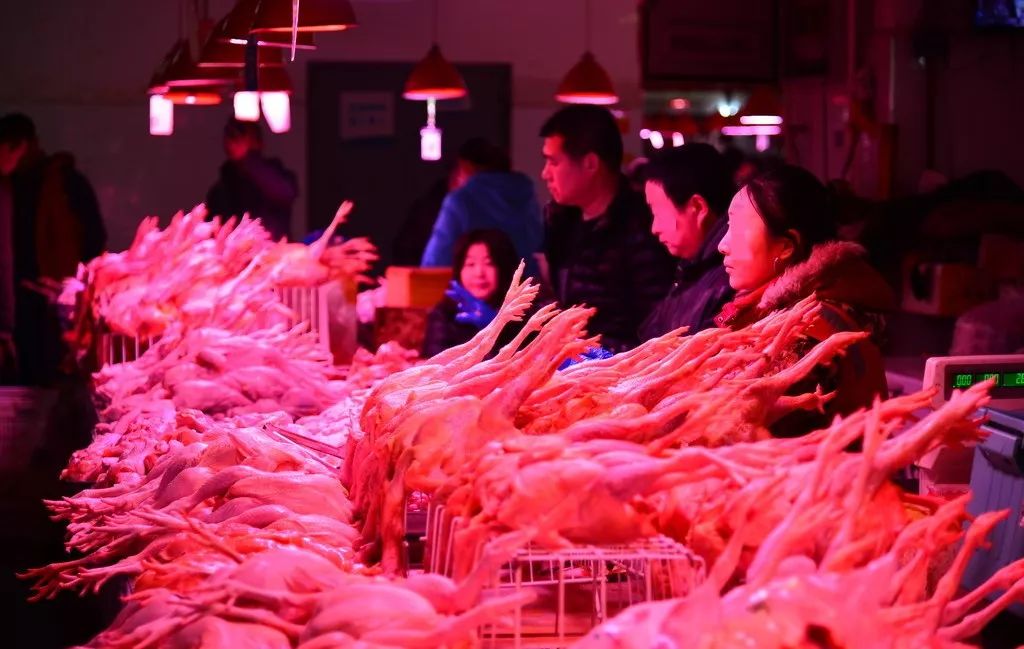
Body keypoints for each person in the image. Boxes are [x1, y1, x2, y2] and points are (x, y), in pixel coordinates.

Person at [714, 164, 895, 434]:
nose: (722, 244)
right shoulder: (791, 311)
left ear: (786, 246)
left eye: (738, 229)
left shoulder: (807, 332)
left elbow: (765, 441)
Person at [539, 105, 675, 352]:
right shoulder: (560, 220)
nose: (545, 174)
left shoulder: (641, 226)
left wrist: (602, 354)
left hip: (623, 373)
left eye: (553, 162)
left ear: (590, 163)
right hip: (570, 367)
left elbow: (657, 325)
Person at [0, 112, 106, 385]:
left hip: (57, 308)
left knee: (56, 380)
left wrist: (76, 293)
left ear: (20, 145)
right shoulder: (8, 185)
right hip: (18, 307)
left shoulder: (65, 182)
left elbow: (95, 239)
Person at [638, 144, 736, 339]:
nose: (654, 228)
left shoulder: (729, 280)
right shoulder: (691, 269)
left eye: (659, 212)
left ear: (697, 207)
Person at [421, 138, 543, 279]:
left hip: (477, 293)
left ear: (465, 167)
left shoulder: (461, 200)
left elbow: (434, 263)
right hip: (526, 291)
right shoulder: (527, 196)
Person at [422, 229, 520, 358]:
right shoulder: (445, 314)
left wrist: (496, 327)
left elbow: (529, 365)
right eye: (470, 264)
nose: (479, 273)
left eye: (488, 263)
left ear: (505, 268)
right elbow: (435, 364)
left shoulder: (524, 311)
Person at [206, 117, 298, 241]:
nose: (234, 141)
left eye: (240, 134)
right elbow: (213, 230)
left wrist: (249, 159)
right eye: (231, 135)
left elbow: (285, 193)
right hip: (233, 256)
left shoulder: (276, 177)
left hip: (272, 255)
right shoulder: (221, 189)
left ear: (257, 141)